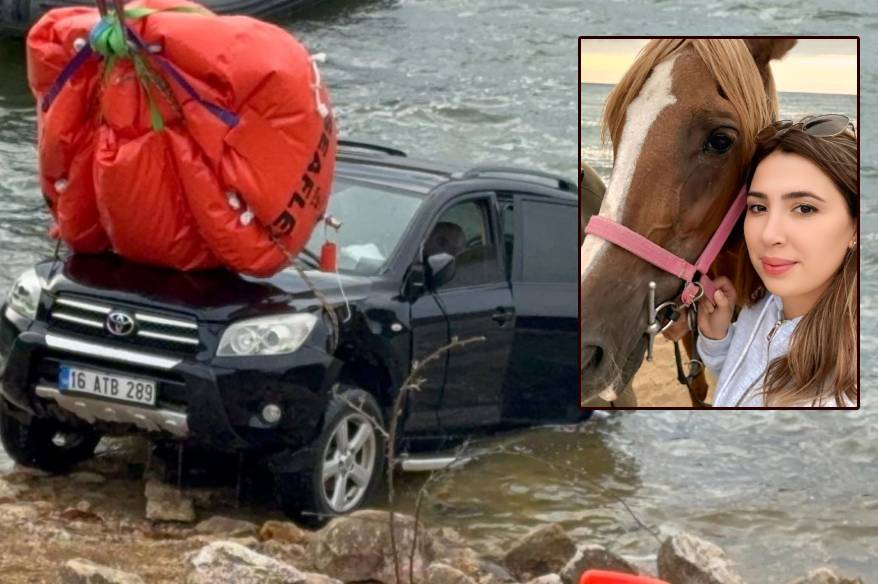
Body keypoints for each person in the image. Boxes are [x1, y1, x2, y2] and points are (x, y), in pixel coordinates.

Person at [696, 114, 858, 407]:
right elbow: (738, 383)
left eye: (805, 208)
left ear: (857, 228)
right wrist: (717, 338)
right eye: (758, 207)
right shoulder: (765, 303)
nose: (769, 234)